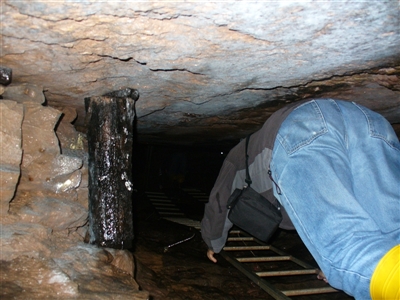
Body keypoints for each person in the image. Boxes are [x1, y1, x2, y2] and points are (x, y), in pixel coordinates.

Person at [201, 98, 399, 300]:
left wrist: (212, 241)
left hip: (304, 129)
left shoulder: (238, 156)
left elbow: (220, 199)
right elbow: (326, 206)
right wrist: (327, 263)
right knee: (393, 228)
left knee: (346, 250)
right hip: (372, 124)